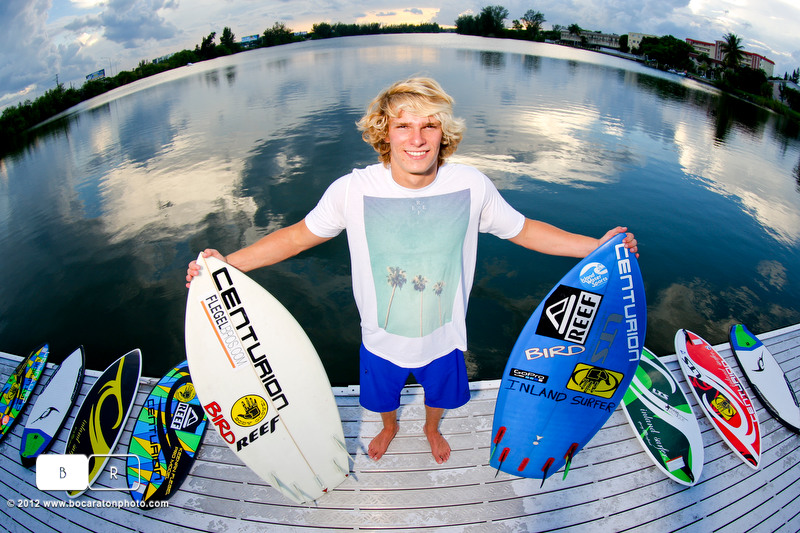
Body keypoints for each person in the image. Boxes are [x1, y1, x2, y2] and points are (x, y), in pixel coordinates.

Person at [185, 77, 638, 465]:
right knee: (382, 399)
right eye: (403, 125)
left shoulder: (471, 184)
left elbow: (524, 230)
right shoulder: (352, 190)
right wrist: (228, 263)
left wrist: (595, 247)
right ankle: (389, 427)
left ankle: (431, 428)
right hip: (379, 337)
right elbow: (297, 237)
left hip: (446, 336)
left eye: (429, 125)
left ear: (444, 134)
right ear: (385, 132)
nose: (416, 138)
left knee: (439, 397)